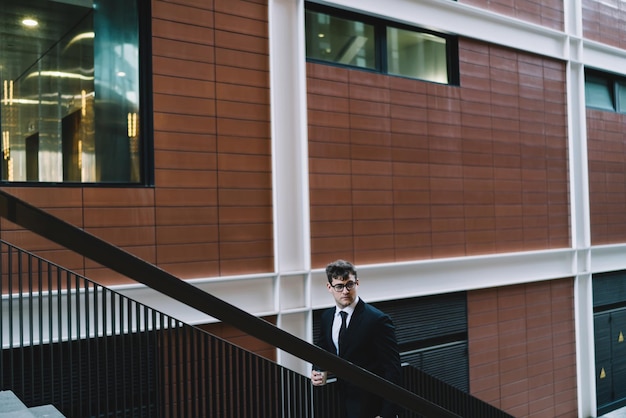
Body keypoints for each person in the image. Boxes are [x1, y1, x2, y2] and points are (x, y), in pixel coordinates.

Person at [311, 259, 401, 418]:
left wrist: (387, 414)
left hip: (372, 405)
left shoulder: (377, 320)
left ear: (357, 283)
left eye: (349, 284)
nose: (345, 291)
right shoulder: (327, 317)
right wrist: (318, 369)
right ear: (329, 287)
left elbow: (392, 369)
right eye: (339, 286)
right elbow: (322, 347)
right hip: (340, 401)